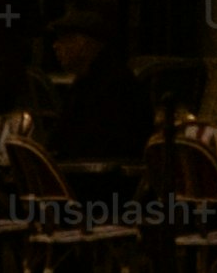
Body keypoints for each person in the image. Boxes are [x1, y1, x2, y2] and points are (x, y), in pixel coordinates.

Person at [44, 9, 154, 163]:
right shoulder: (86, 82)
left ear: (83, 43)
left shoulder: (115, 87)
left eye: (64, 39)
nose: (55, 46)